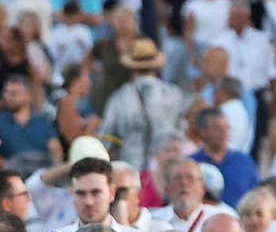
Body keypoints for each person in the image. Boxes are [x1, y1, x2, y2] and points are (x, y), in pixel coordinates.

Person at [98, 37, 186, 173]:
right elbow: (181, 132)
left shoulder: (119, 98)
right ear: (157, 67)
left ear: (132, 67)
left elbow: (106, 141)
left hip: (130, 173)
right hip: (165, 171)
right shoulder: (174, 94)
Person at [189, 107, 257, 210]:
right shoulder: (191, 164)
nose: (224, 133)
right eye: (217, 128)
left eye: (226, 128)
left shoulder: (244, 162)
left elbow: (256, 195)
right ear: (203, 131)